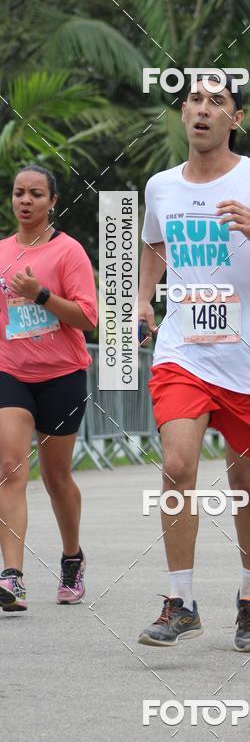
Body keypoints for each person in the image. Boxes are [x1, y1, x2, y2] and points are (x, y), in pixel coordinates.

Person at [137, 75, 250, 651]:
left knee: (246, 483)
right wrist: (144, 298)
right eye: (194, 99)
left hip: (248, 361)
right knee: (177, 465)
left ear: (235, 118)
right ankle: (180, 601)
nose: (203, 110)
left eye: (217, 102)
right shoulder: (161, 186)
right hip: (182, 352)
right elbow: (153, 244)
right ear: (183, 112)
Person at [0, 166, 98, 612]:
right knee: (10, 468)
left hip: (62, 375)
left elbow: (86, 318)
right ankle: (12, 578)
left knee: (56, 477)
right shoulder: (2, 251)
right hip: (11, 373)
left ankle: (72, 559)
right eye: (19, 193)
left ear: (52, 201)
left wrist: (40, 295)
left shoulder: (68, 252)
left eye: (36, 194)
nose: (25, 201)